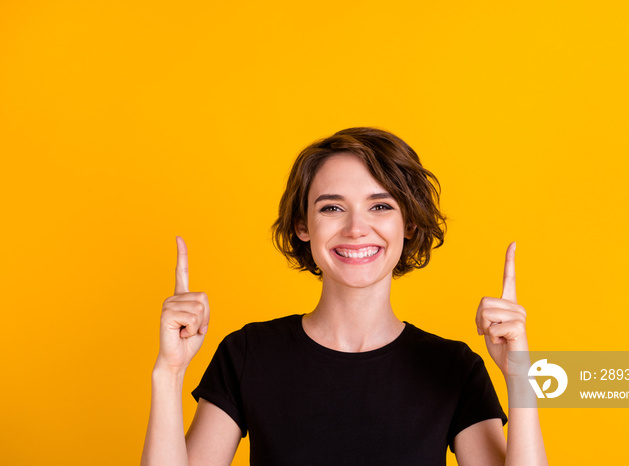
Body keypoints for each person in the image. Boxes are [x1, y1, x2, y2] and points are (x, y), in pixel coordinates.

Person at [141, 127, 547, 465]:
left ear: (408, 225)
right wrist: (169, 373)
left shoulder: (453, 368)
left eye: (380, 206)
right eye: (332, 208)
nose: (356, 228)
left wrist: (521, 378)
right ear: (303, 225)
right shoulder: (248, 354)